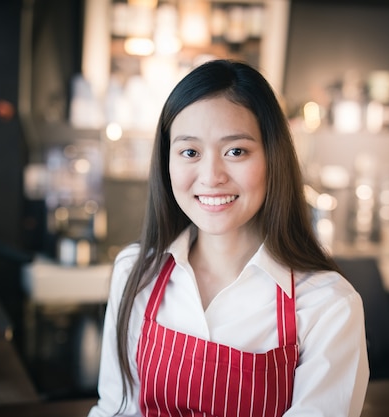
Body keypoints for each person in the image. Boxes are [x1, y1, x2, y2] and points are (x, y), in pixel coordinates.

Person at [88, 59, 369, 417]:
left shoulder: (327, 304)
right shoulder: (136, 271)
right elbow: (116, 409)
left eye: (235, 151)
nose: (210, 176)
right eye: (190, 152)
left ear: (273, 157)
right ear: (166, 162)